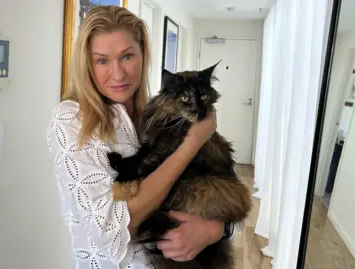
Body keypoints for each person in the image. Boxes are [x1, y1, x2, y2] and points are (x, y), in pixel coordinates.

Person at [47, 5, 236, 269]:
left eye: (127, 57)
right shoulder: (71, 120)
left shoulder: (158, 114)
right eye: (102, 60)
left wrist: (217, 228)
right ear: (87, 65)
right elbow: (110, 231)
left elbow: (217, 184)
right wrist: (192, 144)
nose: (118, 74)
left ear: (143, 54)